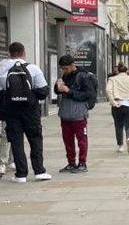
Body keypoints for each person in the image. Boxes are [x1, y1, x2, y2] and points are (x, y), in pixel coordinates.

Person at [0, 42, 51, 182]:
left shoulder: (2, 69)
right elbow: (44, 92)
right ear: (23, 52)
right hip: (30, 111)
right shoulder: (33, 68)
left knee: (16, 142)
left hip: (11, 111)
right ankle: (39, 171)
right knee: (35, 139)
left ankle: (21, 175)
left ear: (9, 53)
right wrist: (30, 94)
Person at [54, 54, 97, 174]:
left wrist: (69, 91)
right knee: (67, 140)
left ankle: (82, 163)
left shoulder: (83, 76)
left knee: (81, 139)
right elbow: (58, 91)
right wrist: (58, 87)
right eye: (62, 69)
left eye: (66, 68)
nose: (64, 71)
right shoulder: (65, 75)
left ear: (73, 65)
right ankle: (71, 163)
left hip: (79, 114)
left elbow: (88, 95)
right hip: (65, 113)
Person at [105, 63, 129, 154]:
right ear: (127, 71)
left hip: (117, 104)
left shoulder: (112, 79)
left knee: (118, 126)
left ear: (117, 70)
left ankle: (121, 146)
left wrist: (113, 102)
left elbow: (108, 90)